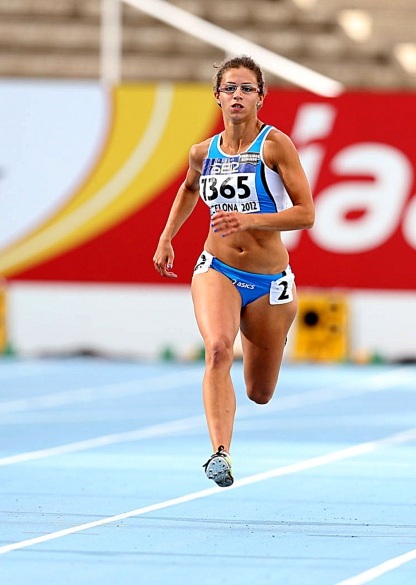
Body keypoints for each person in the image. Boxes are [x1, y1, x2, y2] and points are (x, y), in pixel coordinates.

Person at [152, 55, 315, 488]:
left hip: (268, 281)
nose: (237, 96)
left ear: (261, 97)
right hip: (217, 268)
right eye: (230, 88)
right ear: (217, 96)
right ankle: (219, 453)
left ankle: (271, 334)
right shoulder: (202, 152)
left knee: (259, 392)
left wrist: (250, 219)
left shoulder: (275, 146)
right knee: (218, 350)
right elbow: (188, 189)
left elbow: (306, 214)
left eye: (246, 88)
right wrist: (167, 237)